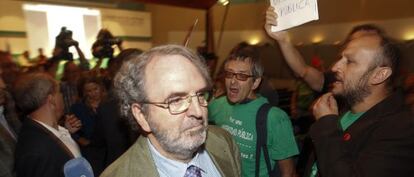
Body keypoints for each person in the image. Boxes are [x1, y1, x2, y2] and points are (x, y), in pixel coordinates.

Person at [100, 45, 241, 177]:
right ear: (142, 115)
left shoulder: (223, 141)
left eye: (200, 95)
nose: (198, 112)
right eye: (176, 100)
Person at [309, 33, 414, 176]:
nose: (334, 67)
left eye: (349, 61)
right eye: (341, 58)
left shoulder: (401, 129)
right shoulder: (341, 110)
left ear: (379, 75)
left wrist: (327, 125)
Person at [208, 44, 298, 177]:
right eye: (229, 74)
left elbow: (288, 173)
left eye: (242, 76)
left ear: (255, 83)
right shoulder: (218, 105)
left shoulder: (275, 118)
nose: (233, 81)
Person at [265, 6, 384, 93]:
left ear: (381, 73)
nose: (335, 67)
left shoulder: (393, 122)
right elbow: (303, 70)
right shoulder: (335, 82)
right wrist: (283, 40)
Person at [13, 73, 81, 177]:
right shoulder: (36, 150)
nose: (62, 96)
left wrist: (66, 131)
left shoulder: (46, 131)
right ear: (51, 99)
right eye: (59, 92)